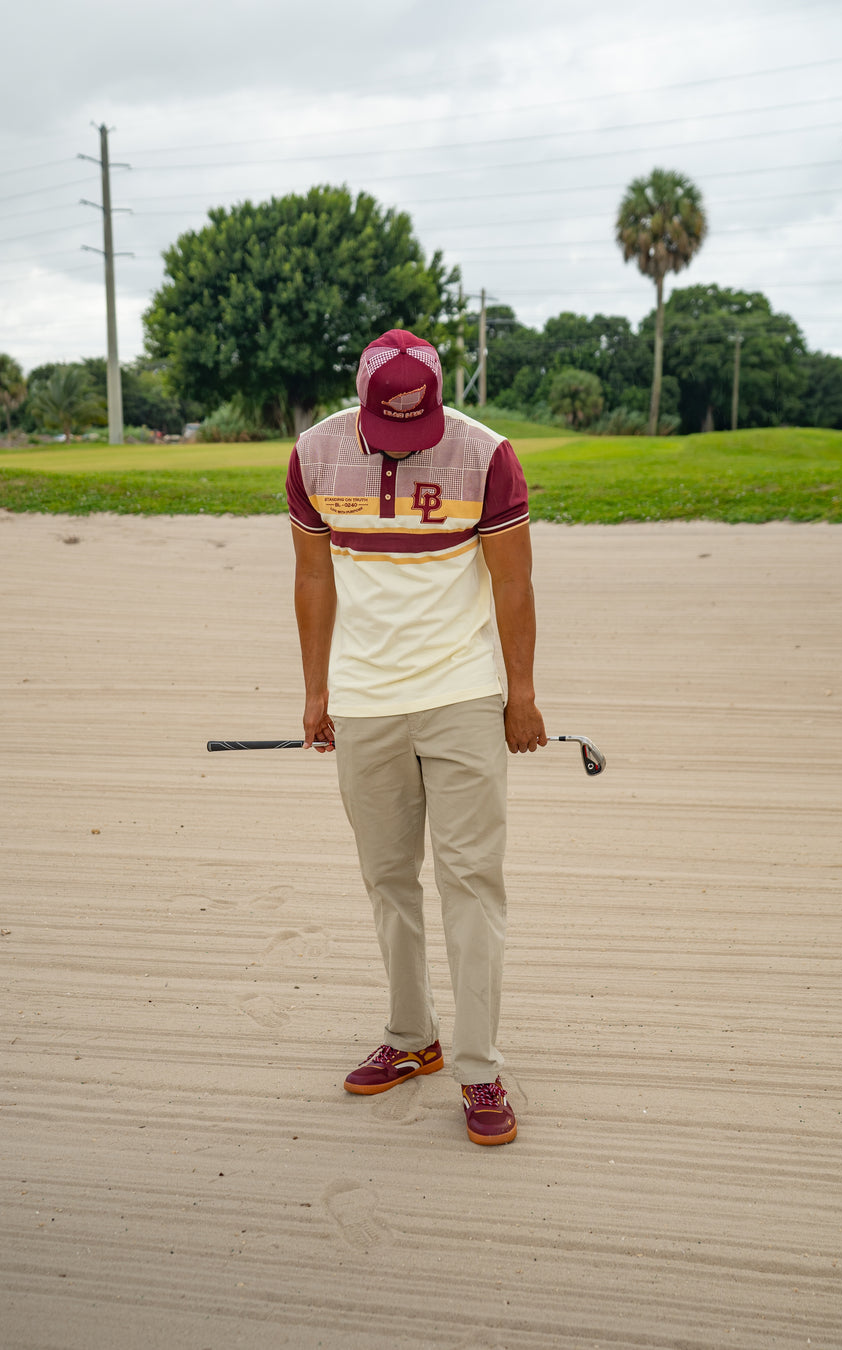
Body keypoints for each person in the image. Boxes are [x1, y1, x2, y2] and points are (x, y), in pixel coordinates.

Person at [286, 328, 546, 1147]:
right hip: (366, 701)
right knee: (388, 877)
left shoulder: (487, 454)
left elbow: (513, 582)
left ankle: (478, 1068)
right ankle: (412, 1037)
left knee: (472, 881)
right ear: (362, 400)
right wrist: (317, 691)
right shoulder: (314, 453)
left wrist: (522, 695)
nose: (406, 439)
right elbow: (312, 574)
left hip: (464, 693)